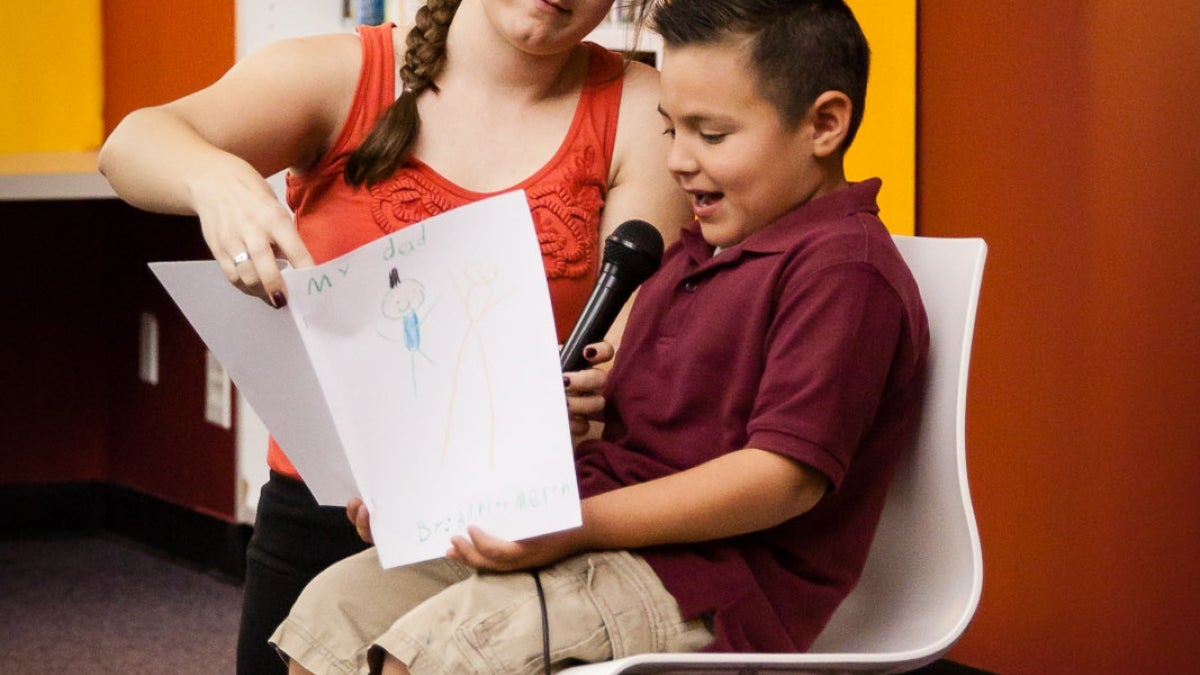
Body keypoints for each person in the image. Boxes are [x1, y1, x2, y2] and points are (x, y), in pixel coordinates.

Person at [270, 1, 931, 673]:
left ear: (824, 125)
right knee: (332, 615)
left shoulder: (846, 271)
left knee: (446, 653)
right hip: (595, 531)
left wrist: (576, 525)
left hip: (706, 581)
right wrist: (438, 498)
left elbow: (781, 480)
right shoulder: (697, 250)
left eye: (711, 134)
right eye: (672, 130)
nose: (677, 160)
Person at [96, 1, 688, 673]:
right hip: (325, 505)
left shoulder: (643, 111)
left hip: (508, 522)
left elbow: (628, 346)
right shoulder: (340, 74)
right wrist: (217, 179)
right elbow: (130, 146)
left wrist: (601, 389)